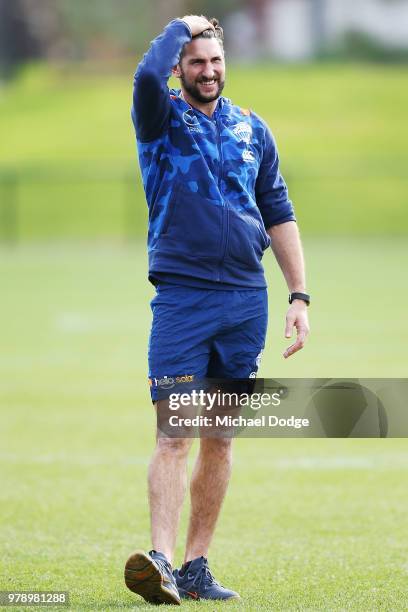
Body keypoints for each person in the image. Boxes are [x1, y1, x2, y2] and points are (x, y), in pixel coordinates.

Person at [125, 14, 310, 605]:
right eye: (196, 62)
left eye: (215, 61)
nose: (208, 72)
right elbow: (146, 75)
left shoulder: (252, 129)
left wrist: (299, 295)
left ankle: (197, 566)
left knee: (221, 437)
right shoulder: (160, 117)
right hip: (182, 296)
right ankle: (160, 559)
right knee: (175, 431)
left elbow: (278, 210)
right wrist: (182, 26)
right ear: (181, 67)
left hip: (243, 300)